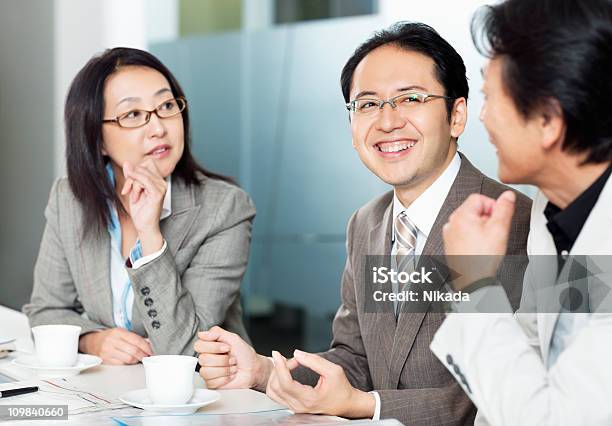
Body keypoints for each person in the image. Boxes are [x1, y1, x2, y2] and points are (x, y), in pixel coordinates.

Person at [195, 23, 531, 424]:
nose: (388, 121)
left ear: (456, 115)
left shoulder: (520, 222)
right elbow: (355, 361)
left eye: (410, 98)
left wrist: (364, 406)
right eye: (368, 104)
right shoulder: (367, 223)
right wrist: (263, 371)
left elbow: (498, 399)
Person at [430, 0, 612, 424]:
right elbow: (533, 347)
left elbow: (557, 418)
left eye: (492, 97)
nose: (483, 117)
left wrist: (474, 280)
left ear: (548, 119)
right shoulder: (555, 210)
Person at [23, 47, 255, 365]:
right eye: (133, 115)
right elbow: (46, 311)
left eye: (166, 106)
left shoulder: (224, 208)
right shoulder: (70, 199)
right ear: (98, 139)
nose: (158, 127)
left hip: (206, 399)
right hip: (111, 394)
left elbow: (188, 350)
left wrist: (150, 234)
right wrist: (93, 340)